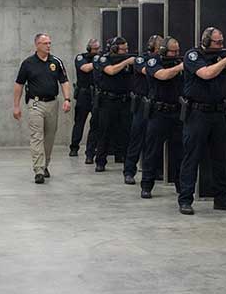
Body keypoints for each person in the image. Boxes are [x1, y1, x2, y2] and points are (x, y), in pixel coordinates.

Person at [177, 27, 226, 215]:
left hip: (217, 113)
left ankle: (221, 198)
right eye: (217, 42)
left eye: (222, 42)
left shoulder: (218, 56)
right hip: (197, 113)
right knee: (191, 157)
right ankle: (185, 199)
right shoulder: (193, 55)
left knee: (220, 158)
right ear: (206, 41)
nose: (221, 45)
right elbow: (206, 74)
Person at [12, 32, 71, 183]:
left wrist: (67, 99)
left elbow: (64, 81)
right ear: (37, 45)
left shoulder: (56, 62)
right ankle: (38, 170)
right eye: (45, 43)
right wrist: (16, 106)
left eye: (50, 43)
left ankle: (45, 165)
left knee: (49, 137)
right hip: (35, 104)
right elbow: (19, 85)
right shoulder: (28, 63)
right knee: (36, 136)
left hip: (52, 103)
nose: (48, 46)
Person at [140, 36, 184, 199]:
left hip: (176, 112)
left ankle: (180, 185)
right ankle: (146, 185)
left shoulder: (177, 62)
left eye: (178, 51)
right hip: (159, 112)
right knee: (152, 151)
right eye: (173, 51)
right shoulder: (153, 62)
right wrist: (181, 66)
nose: (176, 54)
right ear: (164, 51)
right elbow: (163, 75)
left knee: (179, 152)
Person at [123, 35, 162, 185]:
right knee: (136, 139)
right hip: (142, 103)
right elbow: (149, 71)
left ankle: (153, 171)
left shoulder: (161, 61)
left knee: (152, 141)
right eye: (160, 47)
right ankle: (129, 171)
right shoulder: (141, 59)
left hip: (155, 104)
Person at [93, 37, 133, 173]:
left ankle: (126, 162)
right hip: (108, 100)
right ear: (114, 49)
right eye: (123, 49)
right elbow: (111, 71)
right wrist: (126, 62)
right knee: (104, 132)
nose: (126, 52)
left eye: (127, 49)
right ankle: (100, 161)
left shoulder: (127, 60)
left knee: (126, 133)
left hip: (124, 100)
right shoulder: (103, 59)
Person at [69, 38, 100, 161]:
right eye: (95, 49)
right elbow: (85, 68)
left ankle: (90, 152)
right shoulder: (80, 57)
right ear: (89, 49)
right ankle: (74, 147)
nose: (97, 51)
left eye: (98, 49)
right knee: (79, 122)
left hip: (96, 94)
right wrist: (99, 62)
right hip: (84, 94)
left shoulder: (99, 58)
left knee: (95, 124)